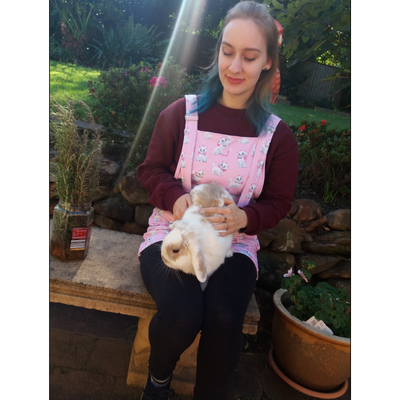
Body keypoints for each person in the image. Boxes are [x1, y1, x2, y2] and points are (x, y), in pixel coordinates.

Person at [136, 1, 298, 399]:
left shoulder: (278, 138)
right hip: (171, 233)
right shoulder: (182, 114)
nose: (235, 67)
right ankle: (157, 384)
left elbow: (278, 201)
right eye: (227, 51)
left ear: (267, 63)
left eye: (249, 56)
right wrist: (176, 200)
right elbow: (150, 170)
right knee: (182, 312)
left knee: (226, 316)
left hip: (234, 245)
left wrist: (244, 219)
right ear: (218, 51)